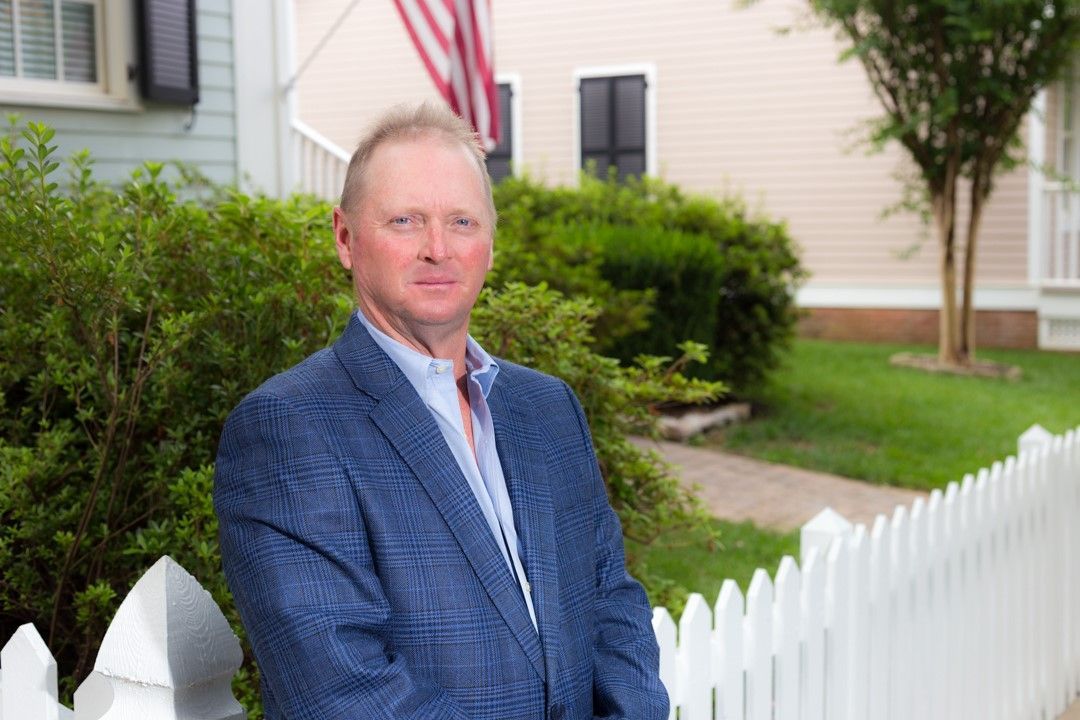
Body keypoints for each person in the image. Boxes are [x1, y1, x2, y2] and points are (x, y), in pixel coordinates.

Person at [214, 102, 669, 720]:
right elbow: (342, 692)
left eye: (462, 220)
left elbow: (613, 605)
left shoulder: (548, 409)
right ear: (346, 239)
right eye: (404, 221)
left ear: (490, 240)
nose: (438, 249)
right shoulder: (289, 428)